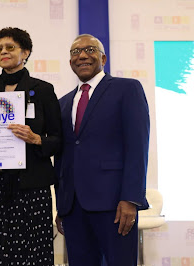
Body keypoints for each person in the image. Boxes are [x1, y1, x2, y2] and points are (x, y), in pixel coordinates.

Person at [54, 34, 150, 266]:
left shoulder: (127, 89)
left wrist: (130, 199)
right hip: (74, 207)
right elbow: (63, 157)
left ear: (103, 58)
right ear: (70, 63)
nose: (83, 55)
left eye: (90, 50)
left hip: (115, 205)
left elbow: (138, 147)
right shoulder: (63, 103)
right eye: (76, 52)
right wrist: (62, 205)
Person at [0, 27, 62, 266]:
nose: (3, 52)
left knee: (33, 254)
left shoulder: (43, 90)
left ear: (26, 52)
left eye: (10, 47)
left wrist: (36, 139)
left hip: (32, 187)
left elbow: (58, 140)